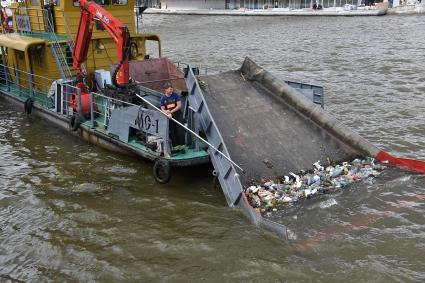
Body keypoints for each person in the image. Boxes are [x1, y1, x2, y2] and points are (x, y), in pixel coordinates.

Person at [160, 82, 185, 147]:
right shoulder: (163, 98)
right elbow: (162, 109)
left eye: (172, 89)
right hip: (169, 117)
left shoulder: (176, 95)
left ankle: (182, 146)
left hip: (177, 114)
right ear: (166, 90)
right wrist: (166, 112)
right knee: (172, 131)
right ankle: (176, 147)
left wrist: (171, 112)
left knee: (180, 130)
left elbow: (179, 106)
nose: (171, 90)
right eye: (170, 89)